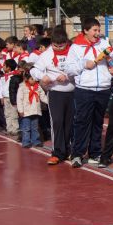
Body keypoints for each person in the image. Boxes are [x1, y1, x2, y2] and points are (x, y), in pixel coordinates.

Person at [65, 17, 113, 168]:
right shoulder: (76, 47)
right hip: (85, 89)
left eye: (99, 30)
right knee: (82, 121)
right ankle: (77, 154)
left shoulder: (104, 43)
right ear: (85, 31)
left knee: (98, 122)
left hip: (103, 89)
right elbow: (68, 69)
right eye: (94, 30)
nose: (97, 33)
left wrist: (110, 59)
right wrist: (83, 64)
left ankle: (95, 152)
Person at [31, 27, 74, 165]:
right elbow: (34, 70)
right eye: (56, 45)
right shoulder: (46, 55)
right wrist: (43, 77)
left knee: (69, 123)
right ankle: (57, 152)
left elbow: (80, 68)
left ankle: (68, 150)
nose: (59, 48)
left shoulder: (73, 52)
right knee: (57, 121)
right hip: (55, 92)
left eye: (62, 45)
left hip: (72, 92)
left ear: (66, 42)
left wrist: (67, 75)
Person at [16, 71, 47, 148]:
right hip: (26, 111)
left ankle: (36, 141)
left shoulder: (38, 87)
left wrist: (50, 102)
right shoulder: (22, 87)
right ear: (27, 79)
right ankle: (26, 142)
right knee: (26, 128)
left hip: (35, 111)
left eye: (35, 79)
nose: (34, 80)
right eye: (32, 79)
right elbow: (19, 99)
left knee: (35, 127)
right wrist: (20, 110)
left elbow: (43, 97)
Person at [0, 59, 20, 137]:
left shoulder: (15, 76)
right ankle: (9, 129)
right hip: (5, 98)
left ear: (9, 68)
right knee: (7, 114)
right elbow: (0, 87)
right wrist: (1, 97)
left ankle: (15, 129)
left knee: (14, 114)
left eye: (4, 65)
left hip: (12, 98)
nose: (3, 67)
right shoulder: (3, 77)